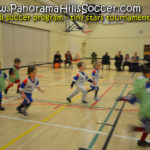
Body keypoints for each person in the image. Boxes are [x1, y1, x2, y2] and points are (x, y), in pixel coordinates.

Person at [117, 67, 150, 147]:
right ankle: (136, 130)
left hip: (145, 109)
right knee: (148, 127)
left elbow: (135, 99)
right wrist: (124, 98)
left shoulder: (142, 83)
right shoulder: (147, 83)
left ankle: (141, 141)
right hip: (147, 110)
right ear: (147, 74)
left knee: (148, 127)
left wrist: (124, 98)